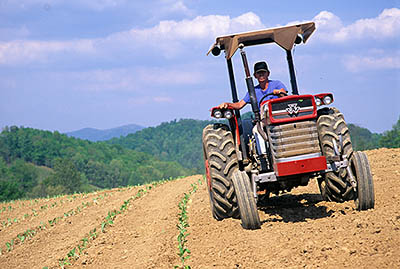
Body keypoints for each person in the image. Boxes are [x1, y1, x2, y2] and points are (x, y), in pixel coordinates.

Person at [219, 61, 287, 110]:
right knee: (255, 130)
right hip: (263, 120)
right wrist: (227, 104)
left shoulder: (277, 84)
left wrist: (279, 93)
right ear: (255, 76)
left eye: (263, 72)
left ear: (268, 73)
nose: (261, 75)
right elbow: (239, 105)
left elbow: (284, 94)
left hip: (278, 116)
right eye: (258, 73)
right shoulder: (253, 92)